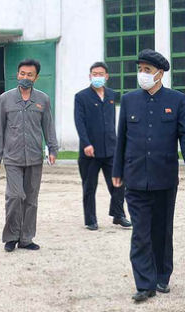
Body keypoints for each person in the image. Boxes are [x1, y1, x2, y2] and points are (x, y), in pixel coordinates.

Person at [111, 49, 185, 302]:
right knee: (140, 232)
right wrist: (117, 172)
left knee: (161, 231)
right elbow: (122, 139)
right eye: (140, 69)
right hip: (135, 178)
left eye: (147, 70)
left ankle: (162, 275)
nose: (142, 74)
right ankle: (144, 284)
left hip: (164, 178)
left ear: (160, 74)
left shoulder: (177, 100)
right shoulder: (129, 100)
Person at [0, 58, 58, 252]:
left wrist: (52, 149)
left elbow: (48, 126)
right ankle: (11, 236)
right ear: (17, 74)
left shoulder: (43, 100)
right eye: (22, 73)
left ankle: (26, 238)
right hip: (12, 157)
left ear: (36, 77)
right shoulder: (5, 99)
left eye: (29, 74)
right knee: (15, 196)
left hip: (35, 157)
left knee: (31, 199)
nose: (25, 77)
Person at [74, 62, 132, 231]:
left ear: (106, 76)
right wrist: (86, 143)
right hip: (90, 152)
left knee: (118, 183)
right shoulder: (81, 96)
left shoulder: (112, 95)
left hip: (111, 149)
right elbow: (80, 122)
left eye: (100, 74)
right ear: (90, 76)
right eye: (94, 73)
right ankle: (90, 220)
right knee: (89, 186)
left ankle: (118, 215)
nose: (97, 77)